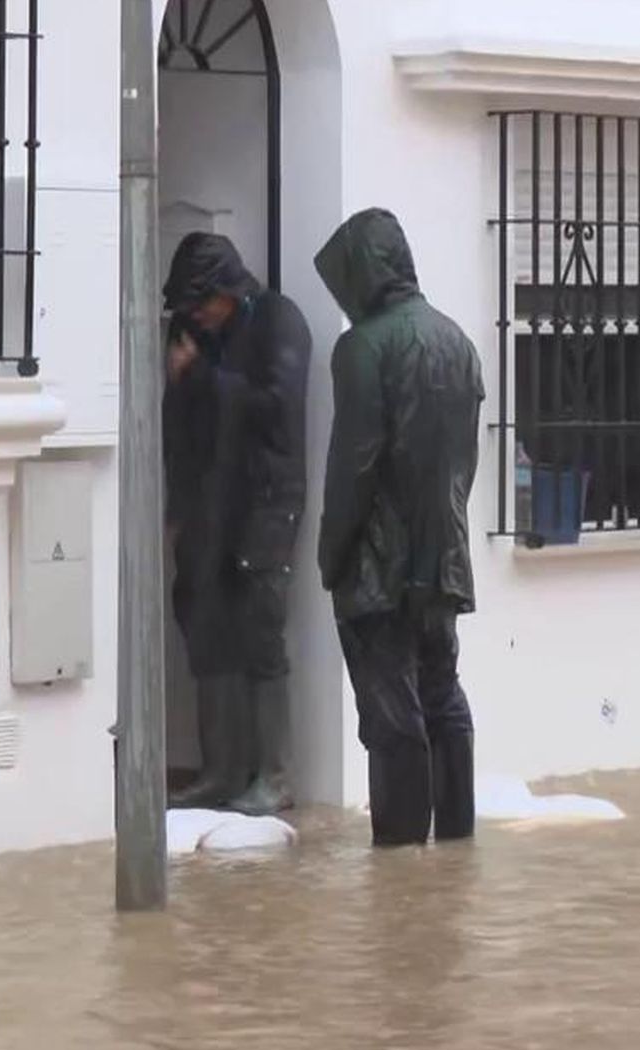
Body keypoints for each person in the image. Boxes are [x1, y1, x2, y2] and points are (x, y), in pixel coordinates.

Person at [314, 208, 484, 847]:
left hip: (377, 566)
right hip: (443, 557)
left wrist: (331, 554)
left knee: (392, 718)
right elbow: (464, 462)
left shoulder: (362, 347)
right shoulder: (458, 340)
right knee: (442, 695)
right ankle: (456, 854)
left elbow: (353, 467)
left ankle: (402, 873)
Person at [161, 232, 309, 815]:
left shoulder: (278, 322)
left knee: (260, 630)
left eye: (203, 302)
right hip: (209, 505)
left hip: (265, 504)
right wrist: (177, 509)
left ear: (228, 289)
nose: (197, 315)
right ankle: (220, 773)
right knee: (204, 624)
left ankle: (274, 775)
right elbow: (179, 426)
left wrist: (203, 376)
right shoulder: (195, 333)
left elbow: (277, 408)